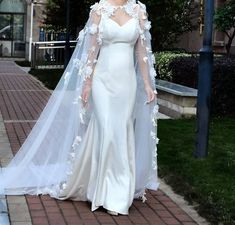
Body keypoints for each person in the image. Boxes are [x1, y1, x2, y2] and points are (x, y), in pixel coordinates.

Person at [0, 0, 159, 216]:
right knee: (106, 130)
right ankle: (101, 192)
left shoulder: (139, 11)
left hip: (127, 84)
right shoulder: (99, 10)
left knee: (121, 130)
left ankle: (119, 191)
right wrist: (87, 83)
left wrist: (148, 84)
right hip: (102, 81)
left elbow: (142, 51)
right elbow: (92, 50)